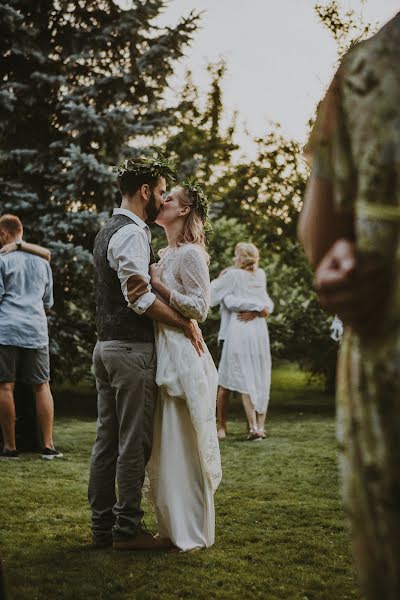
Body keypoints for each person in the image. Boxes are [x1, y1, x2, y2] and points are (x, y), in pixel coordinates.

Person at [298, 13, 400, 600]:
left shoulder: (368, 66)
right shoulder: (364, 69)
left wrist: (330, 255)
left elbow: (321, 232)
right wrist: (337, 263)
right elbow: (326, 237)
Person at [88, 156, 204, 551]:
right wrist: (182, 322)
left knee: (107, 440)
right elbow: (139, 298)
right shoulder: (132, 234)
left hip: (105, 347)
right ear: (144, 192)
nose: (160, 197)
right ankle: (126, 531)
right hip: (131, 352)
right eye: (158, 191)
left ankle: (102, 528)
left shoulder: (107, 230)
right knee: (133, 443)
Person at [147, 179, 221, 552]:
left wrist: (159, 286)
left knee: (183, 443)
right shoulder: (164, 252)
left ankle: (190, 529)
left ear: (185, 210)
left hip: (184, 356)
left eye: (170, 198)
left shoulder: (190, 254)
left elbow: (200, 308)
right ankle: (171, 527)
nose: (162, 201)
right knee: (167, 445)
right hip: (165, 349)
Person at [0, 214, 62, 460]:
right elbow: (48, 302)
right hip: (36, 330)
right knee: (42, 385)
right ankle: (48, 446)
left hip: (7, 329)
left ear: (5, 234)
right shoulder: (43, 264)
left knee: (5, 386)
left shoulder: (2, 261)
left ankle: (10, 447)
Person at [211, 243, 274, 441]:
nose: (233, 259)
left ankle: (253, 427)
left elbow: (211, 294)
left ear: (243, 258)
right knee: (225, 383)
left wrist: (258, 309)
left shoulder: (251, 275)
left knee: (247, 375)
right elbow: (226, 300)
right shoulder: (231, 275)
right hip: (228, 333)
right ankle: (222, 426)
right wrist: (258, 307)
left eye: (236, 255)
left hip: (243, 333)